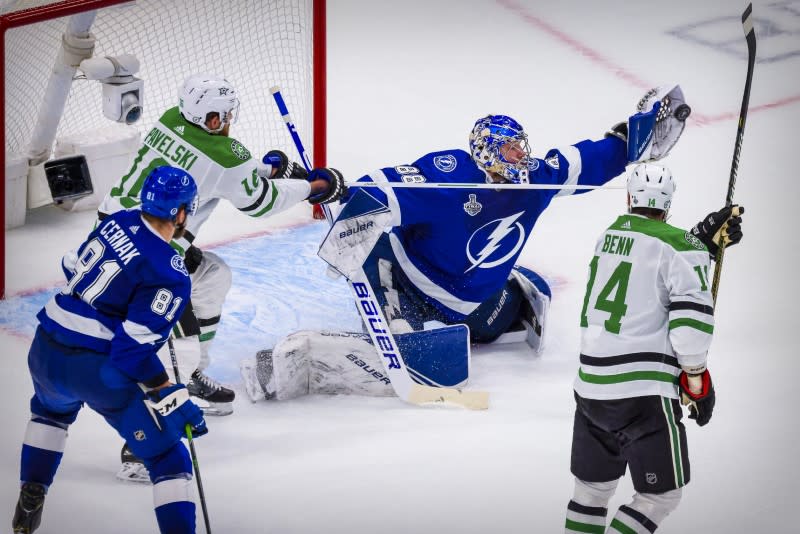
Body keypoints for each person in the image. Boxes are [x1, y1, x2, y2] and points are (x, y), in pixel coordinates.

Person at [240, 85, 694, 402]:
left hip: (470, 304)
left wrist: (635, 135)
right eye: (509, 151)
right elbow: (382, 188)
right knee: (390, 286)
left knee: (521, 305)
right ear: (485, 153)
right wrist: (331, 186)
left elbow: (589, 159)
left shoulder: (535, 178)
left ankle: (488, 299)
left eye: (521, 147)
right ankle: (381, 333)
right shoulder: (447, 173)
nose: (520, 157)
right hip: (410, 282)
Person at [12, 167, 207, 533]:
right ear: (181, 213)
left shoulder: (117, 220)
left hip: (45, 349)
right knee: (168, 458)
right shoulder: (170, 275)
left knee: (49, 416)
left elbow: (71, 265)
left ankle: (30, 497)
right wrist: (169, 394)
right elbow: (131, 352)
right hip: (94, 370)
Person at [564, 163, 744, 533]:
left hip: (590, 390)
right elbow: (690, 323)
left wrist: (700, 243)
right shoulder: (681, 246)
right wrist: (695, 378)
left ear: (630, 197)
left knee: (591, 492)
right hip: (642, 395)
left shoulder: (608, 236)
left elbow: (647, 265)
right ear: (669, 202)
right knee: (661, 496)